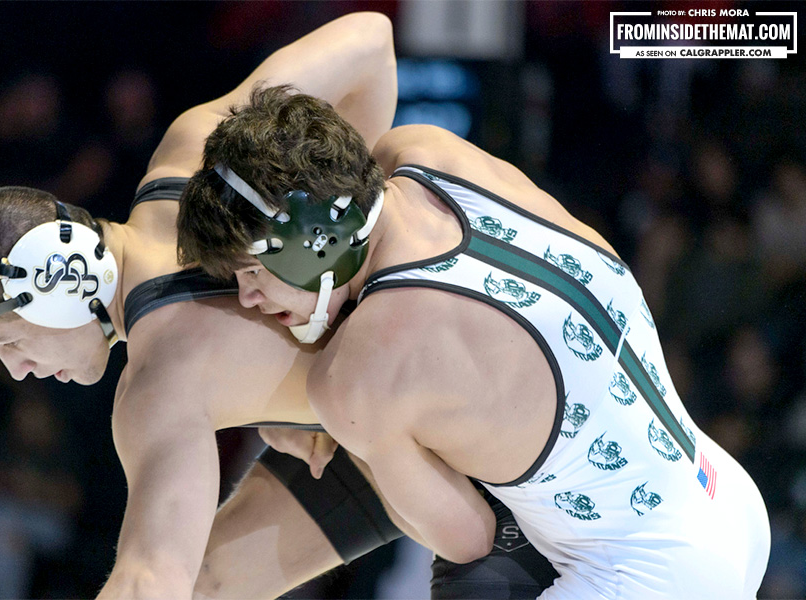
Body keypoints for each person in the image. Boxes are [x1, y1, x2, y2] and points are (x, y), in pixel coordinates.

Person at [0, 13, 556, 599]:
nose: (17, 370)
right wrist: (335, 237)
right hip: (474, 355)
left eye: (7, 342)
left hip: (481, 435)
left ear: (59, 281)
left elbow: (151, 577)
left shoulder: (160, 386)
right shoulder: (196, 150)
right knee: (211, 583)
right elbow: (370, 40)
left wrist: (341, 291)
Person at [176, 86, 772, 598]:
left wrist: (341, 429)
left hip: (649, 576)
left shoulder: (356, 379)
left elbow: (467, 538)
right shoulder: (427, 152)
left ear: (313, 244)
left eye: (250, 273)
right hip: (722, 491)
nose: (248, 299)